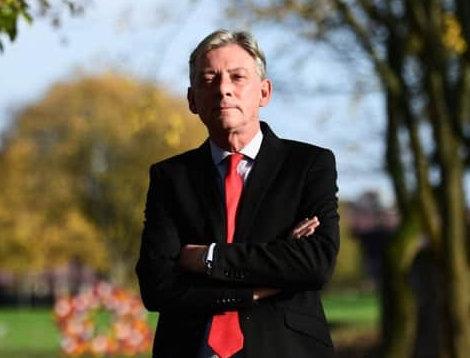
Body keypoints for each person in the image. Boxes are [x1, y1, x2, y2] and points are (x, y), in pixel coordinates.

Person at [136, 29, 340, 358]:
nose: (224, 89)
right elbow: (157, 287)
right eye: (209, 78)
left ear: (264, 91)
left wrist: (208, 258)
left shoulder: (308, 165)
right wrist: (255, 288)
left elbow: (314, 264)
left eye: (237, 77)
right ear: (192, 99)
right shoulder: (170, 177)